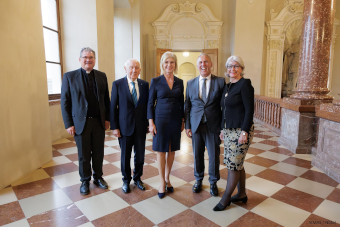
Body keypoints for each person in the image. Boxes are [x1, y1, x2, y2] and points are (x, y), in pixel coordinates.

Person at [61, 47, 110, 195]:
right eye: (85, 57)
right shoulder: (70, 77)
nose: (88, 60)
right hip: (80, 123)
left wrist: (108, 119)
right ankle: (84, 180)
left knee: (98, 152)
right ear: (80, 59)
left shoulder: (102, 76)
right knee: (83, 154)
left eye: (91, 57)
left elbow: (106, 100)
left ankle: (98, 177)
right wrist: (68, 123)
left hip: (98, 122)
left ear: (94, 60)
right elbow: (65, 102)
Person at [213, 55, 254, 211]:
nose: (232, 69)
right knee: (237, 164)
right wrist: (223, 129)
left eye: (236, 66)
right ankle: (242, 193)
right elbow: (225, 110)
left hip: (240, 131)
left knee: (233, 166)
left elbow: (249, 110)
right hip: (229, 131)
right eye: (230, 66)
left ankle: (226, 198)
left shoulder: (245, 85)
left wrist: (244, 132)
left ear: (241, 69)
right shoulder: (227, 86)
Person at [184, 53, 225, 196]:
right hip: (196, 125)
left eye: (206, 62)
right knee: (197, 155)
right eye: (201, 62)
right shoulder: (190, 83)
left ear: (211, 64)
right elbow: (187, 106)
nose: (203, 64)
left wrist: (223, 128)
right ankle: (198, 180)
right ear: (197, 65)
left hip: (213, 125)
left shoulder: (220, 82)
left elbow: (224, 107)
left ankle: (213, 182)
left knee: (214, 155)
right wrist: (187, 125)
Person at [147, 51, 184, 199]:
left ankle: (168, 178)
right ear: (162, 64)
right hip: (160, 120)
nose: (169, 65)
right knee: (161, 151)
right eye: (166, 62)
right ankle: (161, 182)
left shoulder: (180, 82)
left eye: (172, 62)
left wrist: (183, 120)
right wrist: (151, 122)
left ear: (175, 65)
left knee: (172, 150)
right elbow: (150, 103)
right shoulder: (156, 81)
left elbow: (182, 103)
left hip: (175, 120)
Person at [110, 59, 149, 193]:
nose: (134, 70)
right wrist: (115, 127)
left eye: (136, 68)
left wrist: (149, 123)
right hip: (124, 127)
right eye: (131, 67)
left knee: (140, 156)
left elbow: (147, 107)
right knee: (125, 157)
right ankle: (126, 180)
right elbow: (113, 107)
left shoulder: (145, 85)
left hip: (140, 127)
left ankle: (137, 178)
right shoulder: (117, 84)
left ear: (140, 70)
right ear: (125, 69)